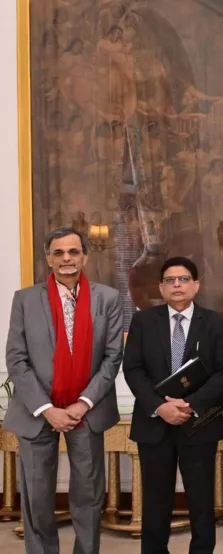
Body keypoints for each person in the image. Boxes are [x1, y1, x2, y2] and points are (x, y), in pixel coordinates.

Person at [4, 227, 123, 554]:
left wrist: (83, 403)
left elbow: (113, 357)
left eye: (73, 252)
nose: (66, 259)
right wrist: (47, 409)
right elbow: (16, 358)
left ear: (84, 256)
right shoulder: (25, 299)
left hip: (87, 410)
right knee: (38, 496)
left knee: (88, 493)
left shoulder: (108, 298)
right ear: (49, 258)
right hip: (38, 410)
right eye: (59, 253)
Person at [123, 257, 223, 554]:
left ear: (196, 285)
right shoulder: (143, 321)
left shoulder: (215, 322)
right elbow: (133, 369)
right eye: (170, 280)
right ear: (161, 287)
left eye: (184, 279)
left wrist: (190, 403)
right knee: (155, 501)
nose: (177, 285)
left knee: (201, 501)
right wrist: (160, 407)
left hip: (198, 424)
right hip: (154, 424)